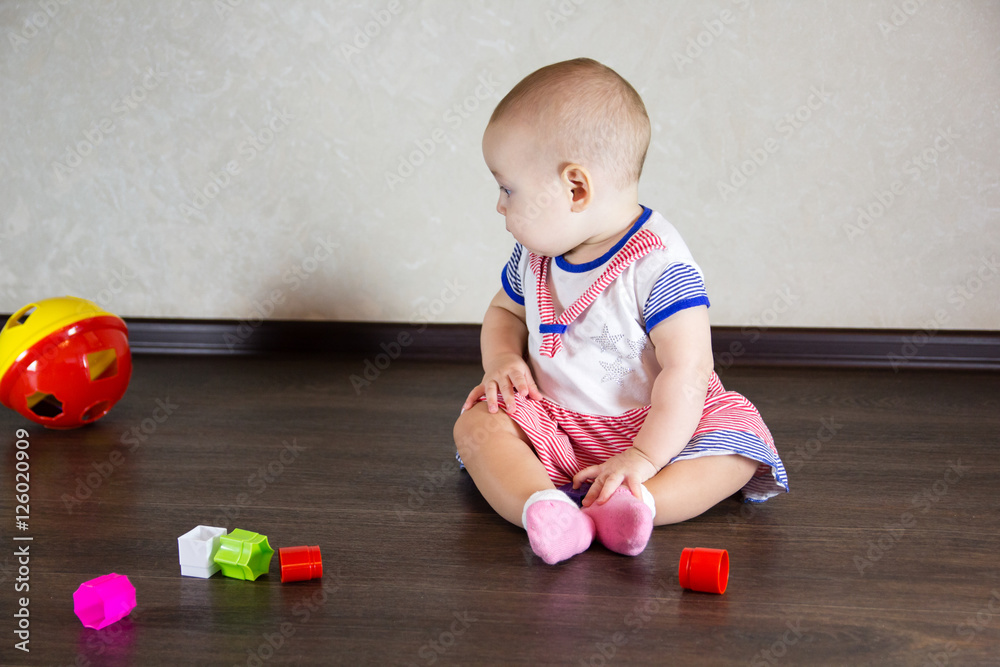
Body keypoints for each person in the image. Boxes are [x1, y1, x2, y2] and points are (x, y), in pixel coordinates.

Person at [453, 58, 788, 565]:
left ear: (576, 188)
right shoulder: (535, 252)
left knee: (737, 442)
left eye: (507, 189)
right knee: (477, 425)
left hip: (657, 427)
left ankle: (638, 502)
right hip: (554, 425)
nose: (500, 206)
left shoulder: (657, 264)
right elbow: (505, 311)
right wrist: (501, 360)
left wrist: (643, 458)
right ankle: (541, 505)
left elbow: (689, 371)